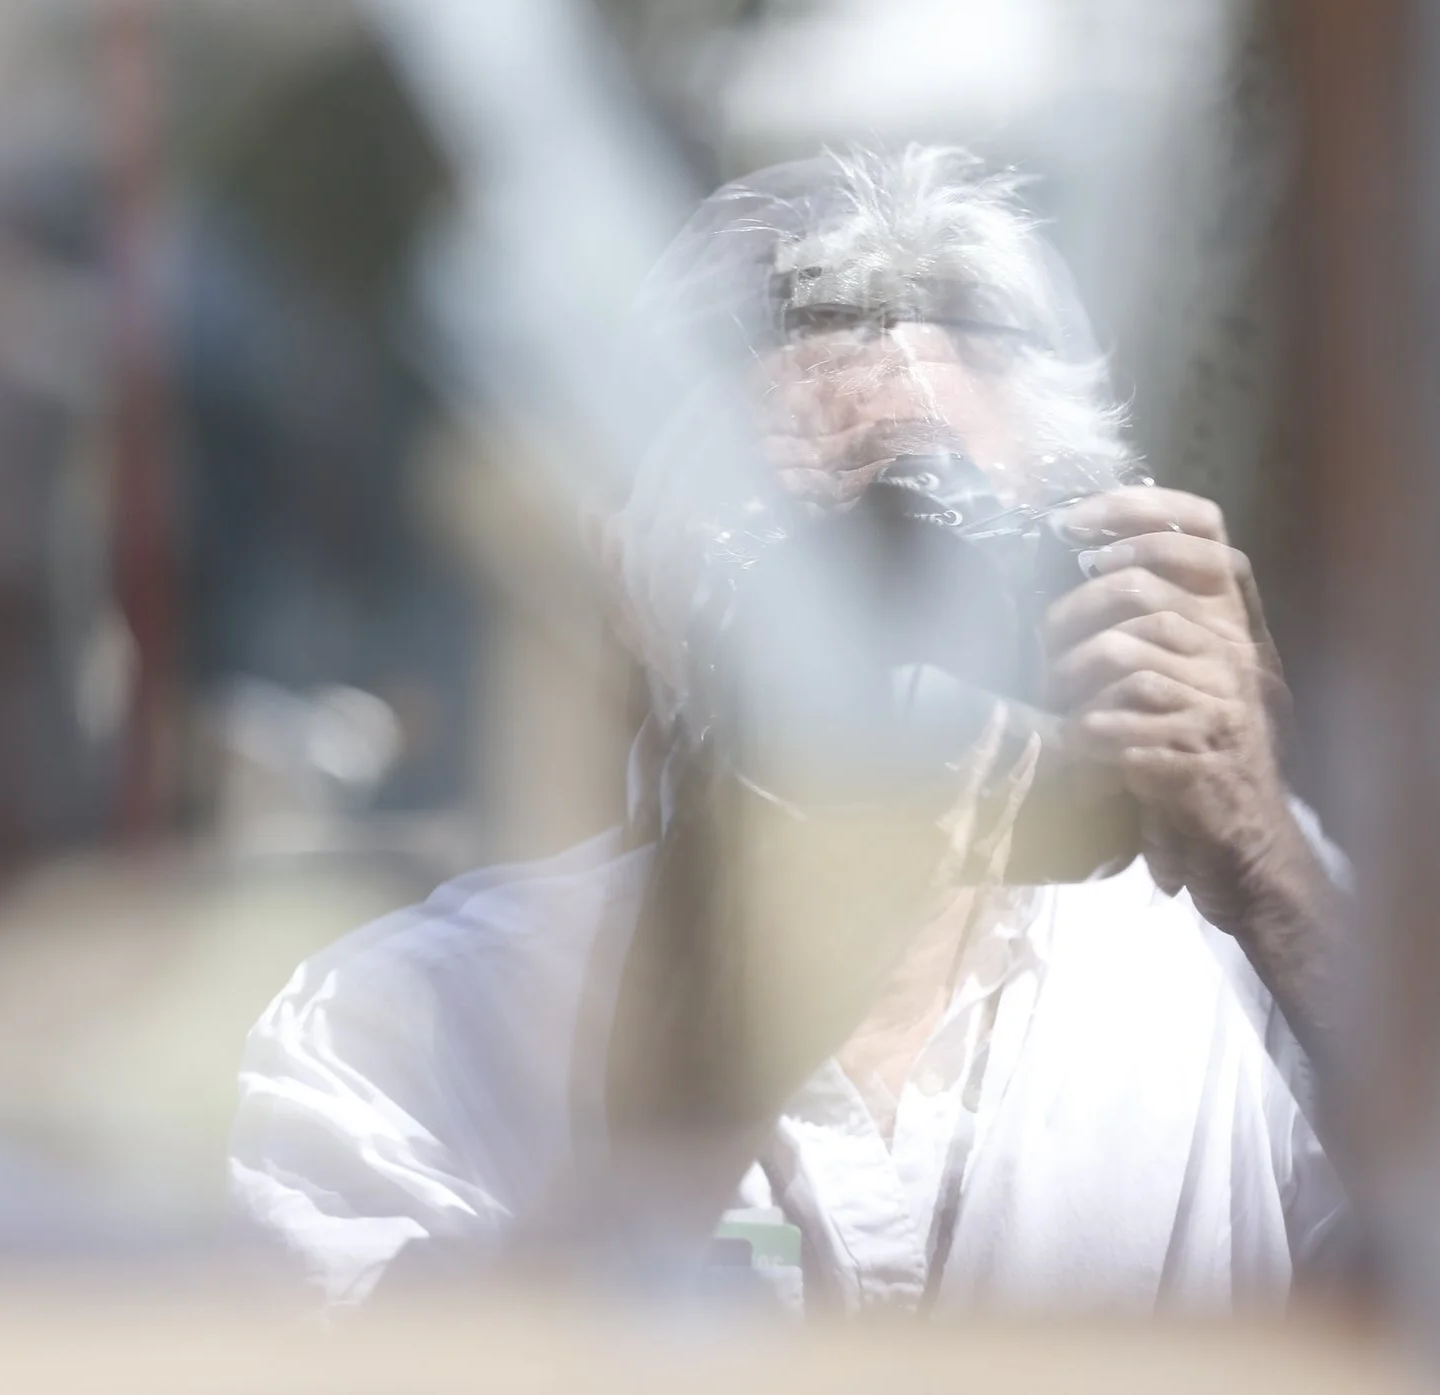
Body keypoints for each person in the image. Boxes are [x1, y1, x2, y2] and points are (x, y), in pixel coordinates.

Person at [229, 146, 1349, 1314]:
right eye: (795, 561)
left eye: (946, 535)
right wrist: (751, 995)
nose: (877, 643)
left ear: (1074, 566)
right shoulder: (404, 1038)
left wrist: (1270, 873)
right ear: (639, 597)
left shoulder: (1247, 976)